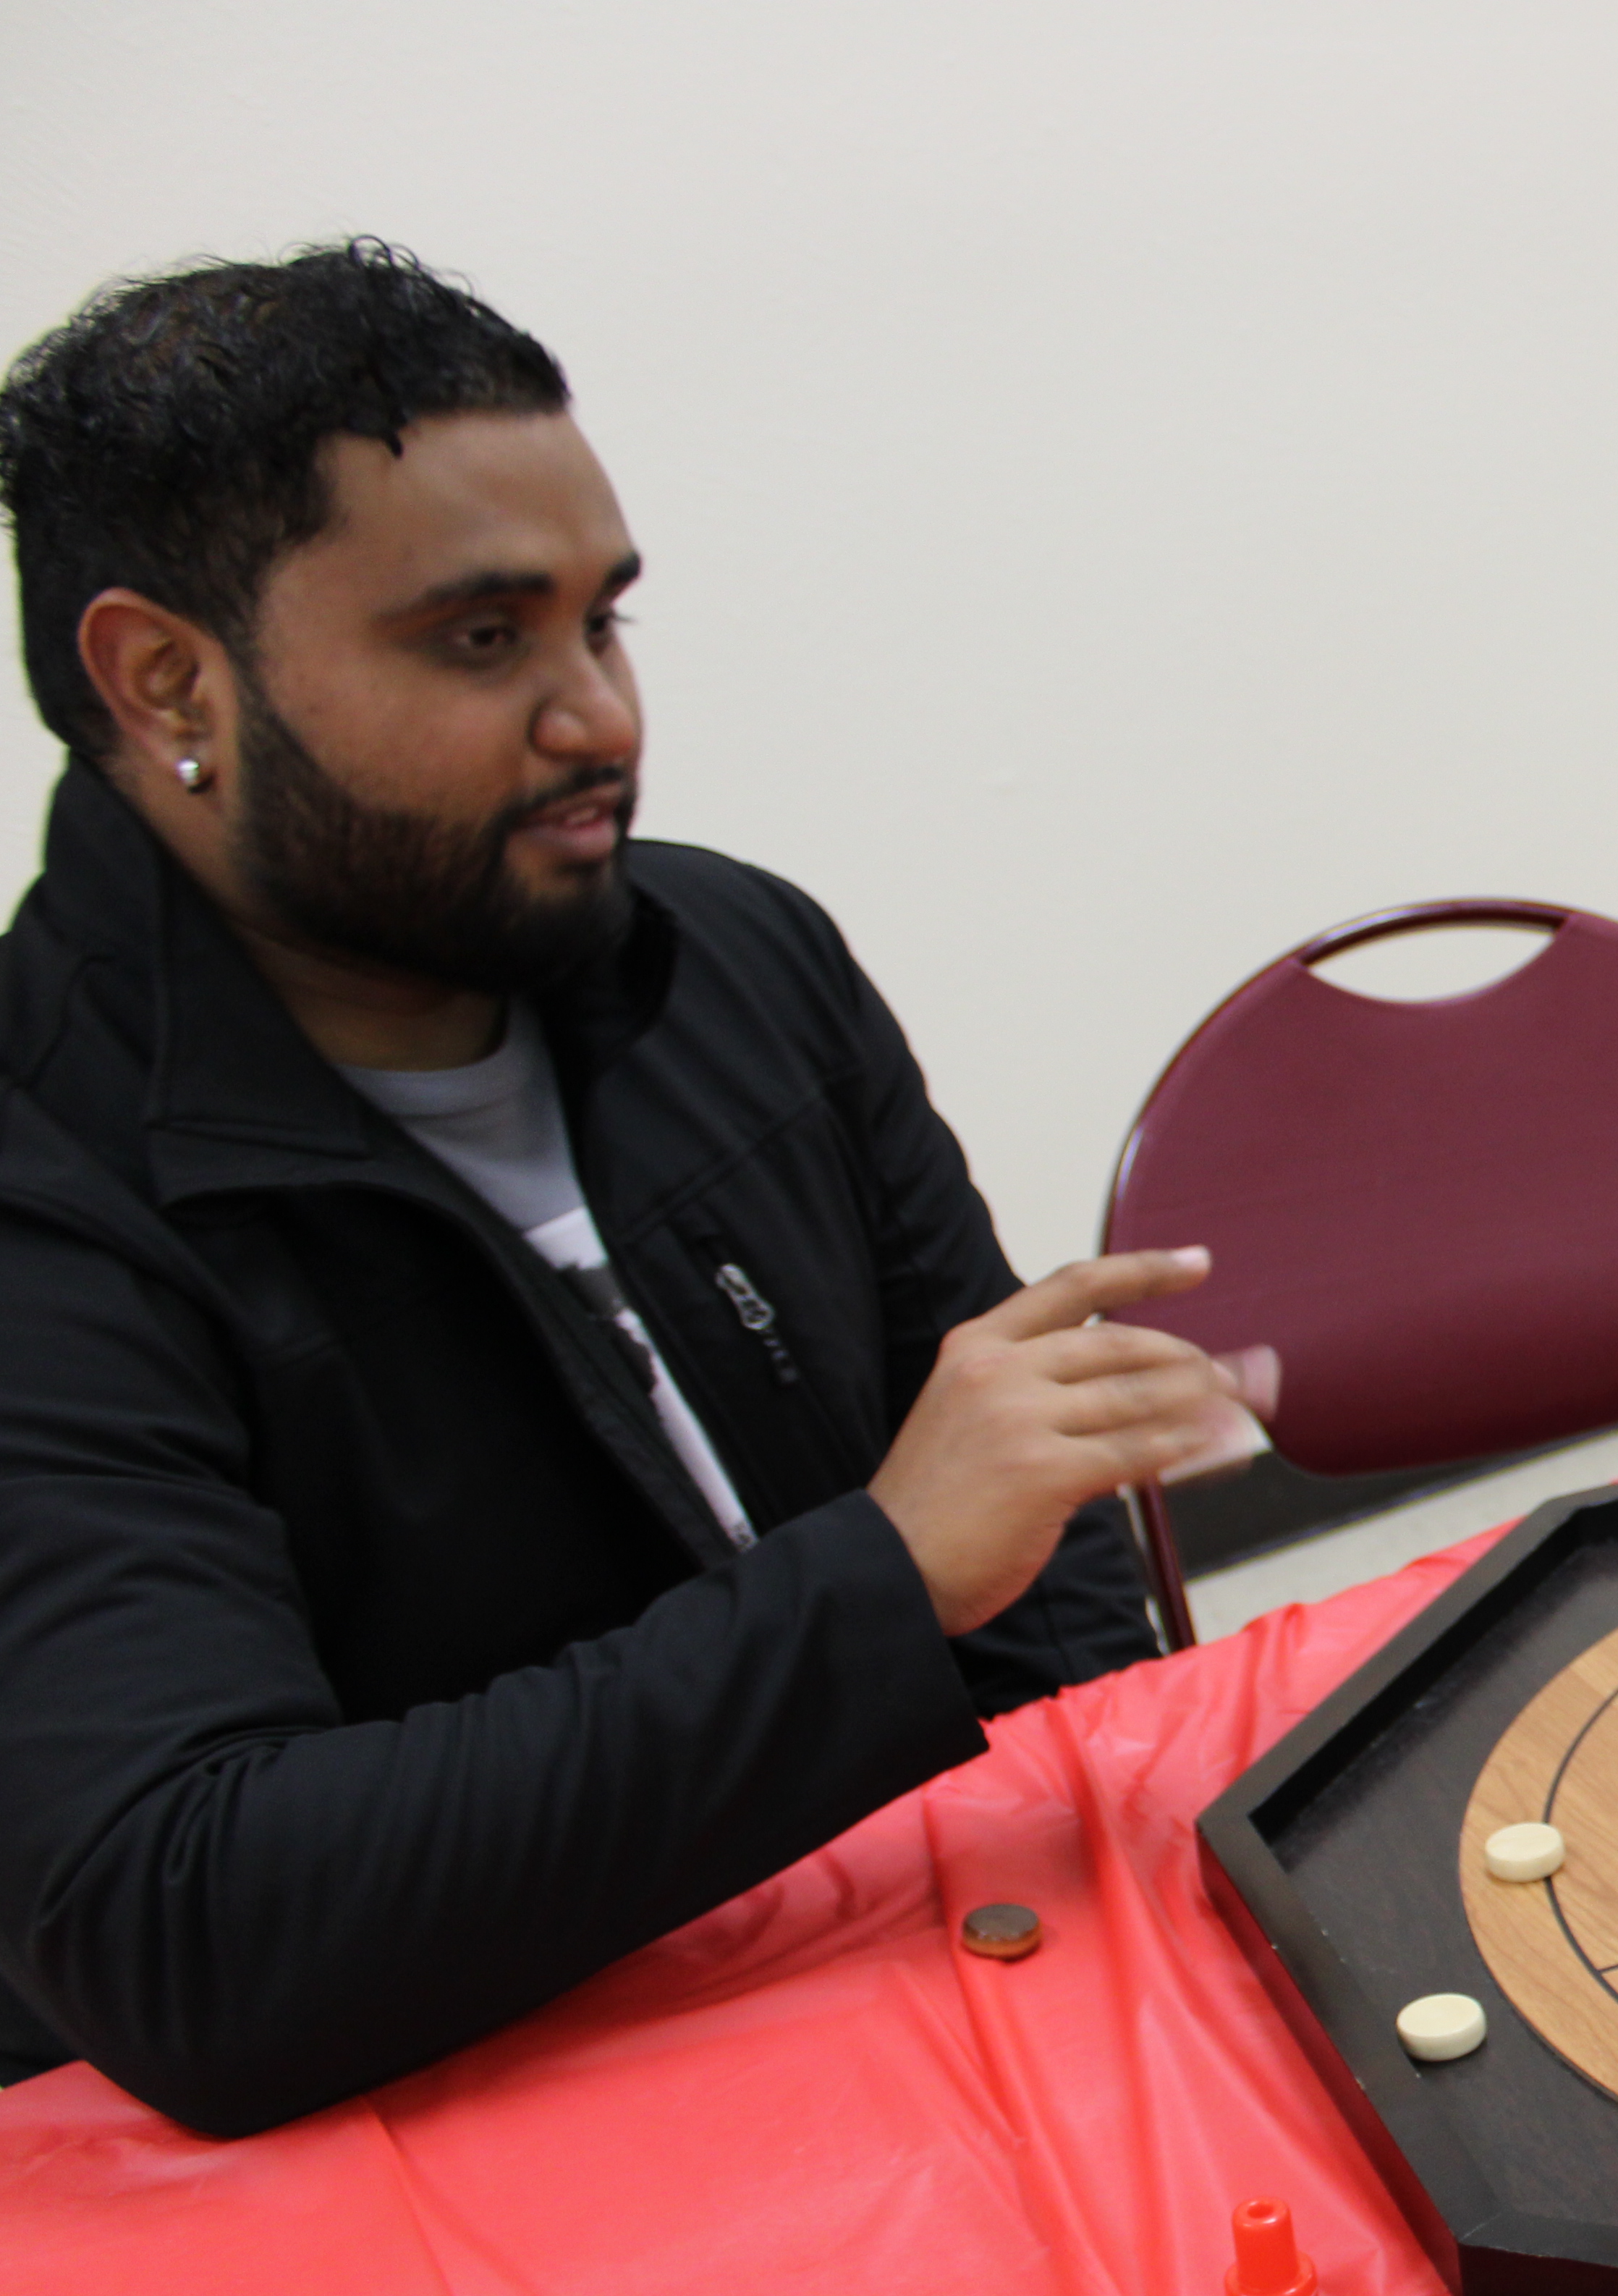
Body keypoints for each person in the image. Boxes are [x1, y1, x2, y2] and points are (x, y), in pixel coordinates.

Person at [0, 245, 1262, 2140]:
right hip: (425, 2166)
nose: (599, 719)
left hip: (908, 2009)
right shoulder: (46, 1188)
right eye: (483, 641)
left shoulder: (740, 954)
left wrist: (1089, 1921)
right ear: (170, 678)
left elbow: (1031, 1512)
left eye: (607, 624)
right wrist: (885, 1580)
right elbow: (197, 1930)